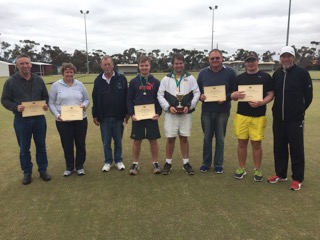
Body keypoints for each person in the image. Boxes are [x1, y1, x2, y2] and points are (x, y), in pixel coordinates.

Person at [267, 46, 313, 191]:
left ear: (293, 57)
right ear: (280, 58)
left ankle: (297, 178)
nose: (286, 59)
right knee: (279, 146)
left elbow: (309, 96)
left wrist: (298, 111)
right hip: (278, 119)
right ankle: (281, 174)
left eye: (289, 56)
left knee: (296, 148)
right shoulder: (277, 74)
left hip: (295, 119)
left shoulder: (302, 73)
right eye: (283, 56)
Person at [1, 53, 51, 185]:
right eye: (22, 63)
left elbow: (45, 96)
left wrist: (46, 104)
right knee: (24, 148)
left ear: (31, 65)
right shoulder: (11, 81)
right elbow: (4, 100)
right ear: (17, 66)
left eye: (27, 63)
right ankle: (27, 172)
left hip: (39, 119)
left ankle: (43, 170)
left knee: (41, 146)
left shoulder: (38, 80)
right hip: (21, 120)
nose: (25, 66)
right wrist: (15, 107)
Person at [231, 51, 274, 181]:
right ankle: (242, 168)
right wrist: (235, 96)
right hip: (242, 115)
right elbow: (233, 96)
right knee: (242, 142)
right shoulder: (239, 78)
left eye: (253, 60)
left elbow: (271, 94)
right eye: (248, 61)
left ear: (257, 61)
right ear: (245, 63)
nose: (250, 63)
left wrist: (261, 103)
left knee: (256, 144)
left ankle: (257, 169)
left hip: (258, 115)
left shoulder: (266, 77)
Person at [157, 53, 200, 175]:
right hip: (171, 114)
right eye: (176, 63)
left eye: (181, 63)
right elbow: (160, 95)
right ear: (173, 64)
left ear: (184, 64)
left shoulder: (190, 78)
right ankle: (168, 163)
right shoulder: (166, 79)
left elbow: (197, 93)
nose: (178, 65)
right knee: (170, 138)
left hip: (185, 114)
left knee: (184, 138)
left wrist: (189, 106)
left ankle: (186, 163)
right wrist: (168, 107)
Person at [197, 49, 236, 173]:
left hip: (223, 110)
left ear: (221, 58)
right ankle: (206, 163)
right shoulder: (203, 73)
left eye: (217, 58)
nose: (215, 60)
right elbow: (197, 91)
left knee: (220, 138)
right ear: (209, 59)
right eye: (212, 58)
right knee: (207, 138)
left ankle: (218, 164)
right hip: (207, 110)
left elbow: (235, 91)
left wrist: (226, 97)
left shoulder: (230, 72)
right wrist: (200, 96)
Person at [49, 63, 90, 176]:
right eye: (67, 72)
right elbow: (51, 103)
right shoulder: (56, 85)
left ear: (74, 73)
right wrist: (58, 115)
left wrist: (83, 105)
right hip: (63, 121)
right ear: (63, 73)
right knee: (67, 144)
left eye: (71, 72)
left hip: (80, 119)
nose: (69, 74)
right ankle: (69, 167)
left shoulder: (80, 84)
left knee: (80, 144)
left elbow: (87, 100)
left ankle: (80, 166)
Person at [127, 56, 162, 175]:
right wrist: (132, 114)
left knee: (153, 140)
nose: (144, 68)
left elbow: (159, 99)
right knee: (137, 140)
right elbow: (129, 100)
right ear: (138, 66)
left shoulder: (156, 82)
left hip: (152, 117)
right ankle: (135, 164)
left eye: (146, 65)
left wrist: (158, 113)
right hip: (138, 117)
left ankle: (155, 163)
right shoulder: (133, 82)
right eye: (142, 65)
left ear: (150, 66)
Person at [92, 55, 128, 172]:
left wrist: (127, 113)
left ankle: (118, 160)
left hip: (118, 117)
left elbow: (126, 97)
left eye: (109, 64)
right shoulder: (98, 80)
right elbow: (95, 98)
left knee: (118, 140)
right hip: (104, 117)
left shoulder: (121, 79)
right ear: (101, 66)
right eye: (104, 64)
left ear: (113, 65)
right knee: (106, 142)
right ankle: (108, 161)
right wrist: (95, 115)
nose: (107, 67)